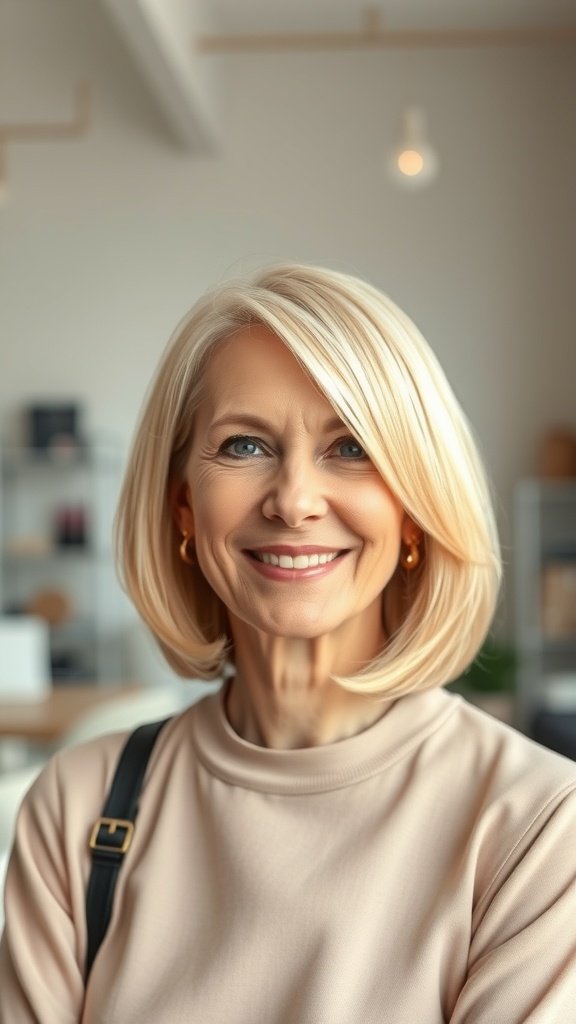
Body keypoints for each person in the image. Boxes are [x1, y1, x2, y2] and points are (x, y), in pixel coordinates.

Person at [1, 263, 575, 1023]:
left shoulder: (538, 827)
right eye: (243, 446)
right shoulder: (76, 812)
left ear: (413, 508)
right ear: (182, 509)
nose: (295, 500)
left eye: (351, 447)